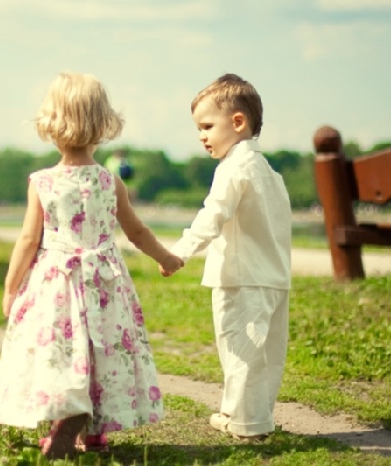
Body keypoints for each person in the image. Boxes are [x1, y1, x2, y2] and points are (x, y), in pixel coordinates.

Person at [0, 71, 183, 460]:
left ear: (51, 123)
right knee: (102, 352)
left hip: (55, 282)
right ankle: (93, 433)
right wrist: (167, 258)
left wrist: (11, 287)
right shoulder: (110, 182)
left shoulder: (42, 182)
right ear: (102, 125)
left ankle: (67, 418)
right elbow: (137, 232)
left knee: (58, 348)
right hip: (104, 282)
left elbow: (28, 240)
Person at [163, 74, 292, 440]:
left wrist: (180, 251)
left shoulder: (232, 169)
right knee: (266, 355)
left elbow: (213, 214)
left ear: (237, 122)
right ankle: (248, 415)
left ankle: (248, 425)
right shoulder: (270, 173)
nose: (201, 136)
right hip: (274, 279)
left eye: (206, 126)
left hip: (240, 278)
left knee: (240, 351)